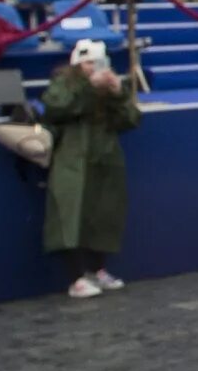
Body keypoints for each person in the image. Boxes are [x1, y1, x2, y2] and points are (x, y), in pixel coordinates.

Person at [41, 38, 138, 296]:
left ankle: (97, 269)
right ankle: (75, 277)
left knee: (103, 213)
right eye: (87, 63)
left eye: (96, 63)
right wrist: (89, 88)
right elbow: (56, 108)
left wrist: (118, 94)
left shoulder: (108, 87)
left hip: (104, 156)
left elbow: (130, 119)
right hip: (73, 156)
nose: (92, 68)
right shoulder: (64, 83)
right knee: (70, 215)